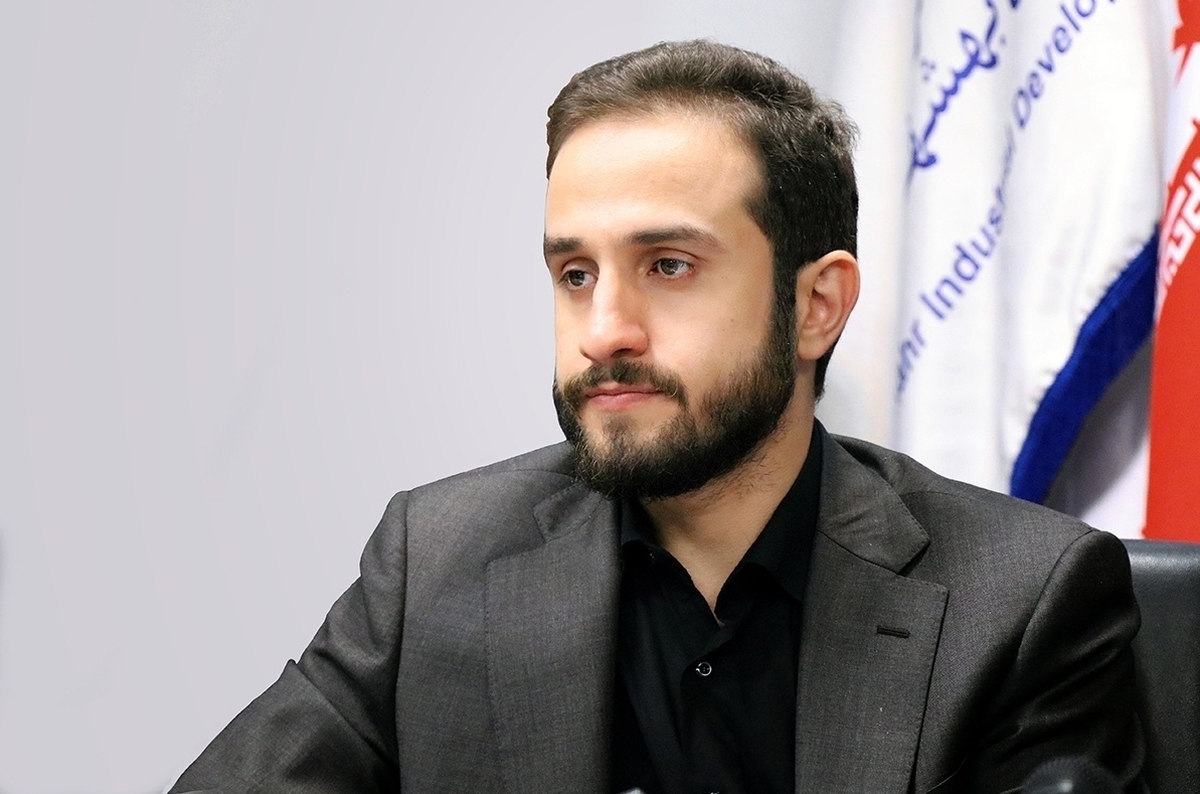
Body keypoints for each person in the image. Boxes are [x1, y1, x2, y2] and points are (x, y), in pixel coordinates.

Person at [170, 40, 1143, 794]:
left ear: (816, 305)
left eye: (668, 266)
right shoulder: (438, 561)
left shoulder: (1020, 602)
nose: (603, 331)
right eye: (574, 273)